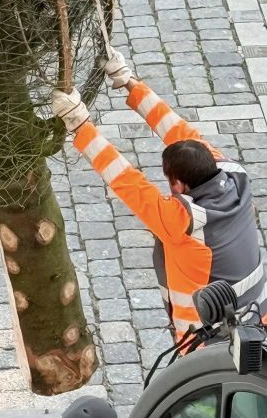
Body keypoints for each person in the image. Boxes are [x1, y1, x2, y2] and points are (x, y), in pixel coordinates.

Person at [52, 49, 267, 341]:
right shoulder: (232, 173)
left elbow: (126, 180)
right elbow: (178, 131)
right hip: (258, 319)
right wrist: (128, 82)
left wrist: (78, 124)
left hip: (209, 341)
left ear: (178, 184)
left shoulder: (183, 222)